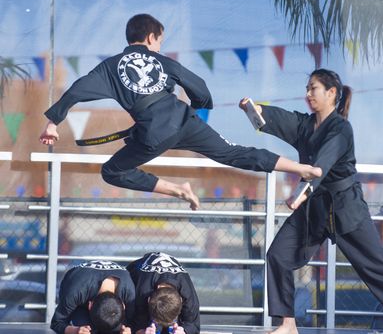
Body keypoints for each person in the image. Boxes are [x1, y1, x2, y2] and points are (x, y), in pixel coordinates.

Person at [39, 13, 321, 211]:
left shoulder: (110, 66)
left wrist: (53, 122)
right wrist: (200, 107)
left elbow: (77, 89)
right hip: (184, 120)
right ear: (150, 37)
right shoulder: (162, 61)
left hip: (153, 132)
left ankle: (178, 189)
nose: (160, 46)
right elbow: (199, 86)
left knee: (113, 170)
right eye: (160, 40)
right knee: (235, 153)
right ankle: (303, 168)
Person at [239, 68, 383, 334]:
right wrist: (254, 110)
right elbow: (277, 119)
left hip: (346, 209)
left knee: (379, 270)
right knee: (279, 255)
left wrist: (300, 194)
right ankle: (287, 324)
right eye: (307, 88)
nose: (308, 94)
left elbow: (320, 167)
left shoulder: (341, 129)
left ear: (332, 93)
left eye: (313, 88)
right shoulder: (305, 125)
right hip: (314, 210)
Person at [51, 260, 135, 334]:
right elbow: (57, 323)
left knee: (115, 329)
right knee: (89, 329)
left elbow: (134, 322)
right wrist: (75, 330)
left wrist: (128, 330)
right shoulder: (75, 292)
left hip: (88, 289)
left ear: (124, 306)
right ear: (89, 305)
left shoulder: (129, 292)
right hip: (77, 288)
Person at [126, 252, 199, 334]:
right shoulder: (142, 291)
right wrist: (141, 331)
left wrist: (184, 331)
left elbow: (194, 325)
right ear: (148, 300)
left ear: (181, 300)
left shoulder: (187, 293)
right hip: (137, 268)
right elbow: (131, 322)